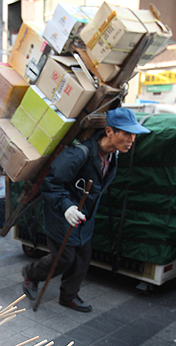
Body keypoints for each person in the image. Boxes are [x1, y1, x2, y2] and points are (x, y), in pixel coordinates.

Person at [22, 108, 150, 312]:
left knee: (82, 259)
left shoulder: (112, 156)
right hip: (61, 213)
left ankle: (68, 296)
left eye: (134, 134)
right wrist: (67, 207)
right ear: (109, 131)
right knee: (63, 258)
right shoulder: (79, 153)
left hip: (84, 215)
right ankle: (31, 274)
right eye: (126, 133)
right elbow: (51, 184)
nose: (131, 139)